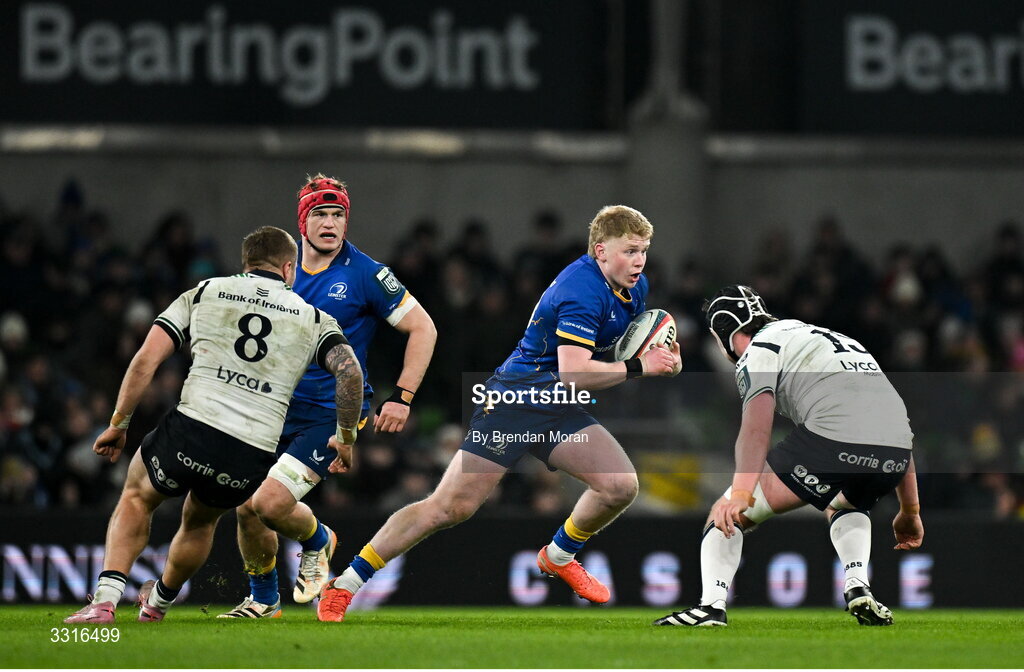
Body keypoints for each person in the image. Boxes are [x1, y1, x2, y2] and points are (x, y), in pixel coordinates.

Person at [317, 204, 682, 622]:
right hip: (514, 403)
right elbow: (575, 373)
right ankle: (343, 585)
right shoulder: (581, 289)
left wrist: (665, 357)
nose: (639, 261)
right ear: (600, 250)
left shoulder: (634, 285)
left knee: (620, 486)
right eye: (630, 251)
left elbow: (625, 346)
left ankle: (558, 556)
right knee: (448, 508)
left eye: (644, 251)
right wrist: (640, 367)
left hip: (556, 406)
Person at [64, 226, 363, 624]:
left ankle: (105, 601)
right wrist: (345, 438)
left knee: (138, 496)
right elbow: (350, 374)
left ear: (246, 262)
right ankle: (158, 605)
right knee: (200, 519)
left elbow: (145, 360)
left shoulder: (206, 291)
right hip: (251, 450)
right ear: (289, 268)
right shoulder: (313, 317)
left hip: (194, 426)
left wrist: (119, 424)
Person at [220, 174, 436, 618]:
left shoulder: (368, 274)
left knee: (271, 503)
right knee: (246, 508)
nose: (331, 223)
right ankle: (263, 601)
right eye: (320, 213)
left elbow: (424, 328)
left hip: (330, 411)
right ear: (302, 220)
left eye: (338, 214)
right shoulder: (279, 270)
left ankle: (320, 539)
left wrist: (403, 396)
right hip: (273, 406)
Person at [654, 285, 924, 628]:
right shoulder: (831, 338)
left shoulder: (760, 350)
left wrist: (739, 494)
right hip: (896, 453)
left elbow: (755, 430)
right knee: (844, 504)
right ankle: (858, 584)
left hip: (836, 438)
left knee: (724, 515)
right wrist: (910, 510)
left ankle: (710, 607)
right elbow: (897, 427)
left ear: (724, 335)